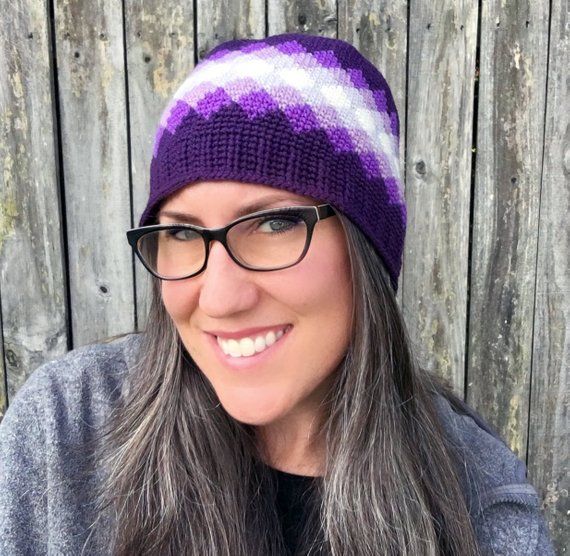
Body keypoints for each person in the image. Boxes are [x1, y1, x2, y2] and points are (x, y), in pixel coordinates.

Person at [0, 33, 554, 555]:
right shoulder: (64, 430)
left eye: (273, 224)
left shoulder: (477, 510)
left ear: (368, 249)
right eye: (183, 233)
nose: (218, 299)